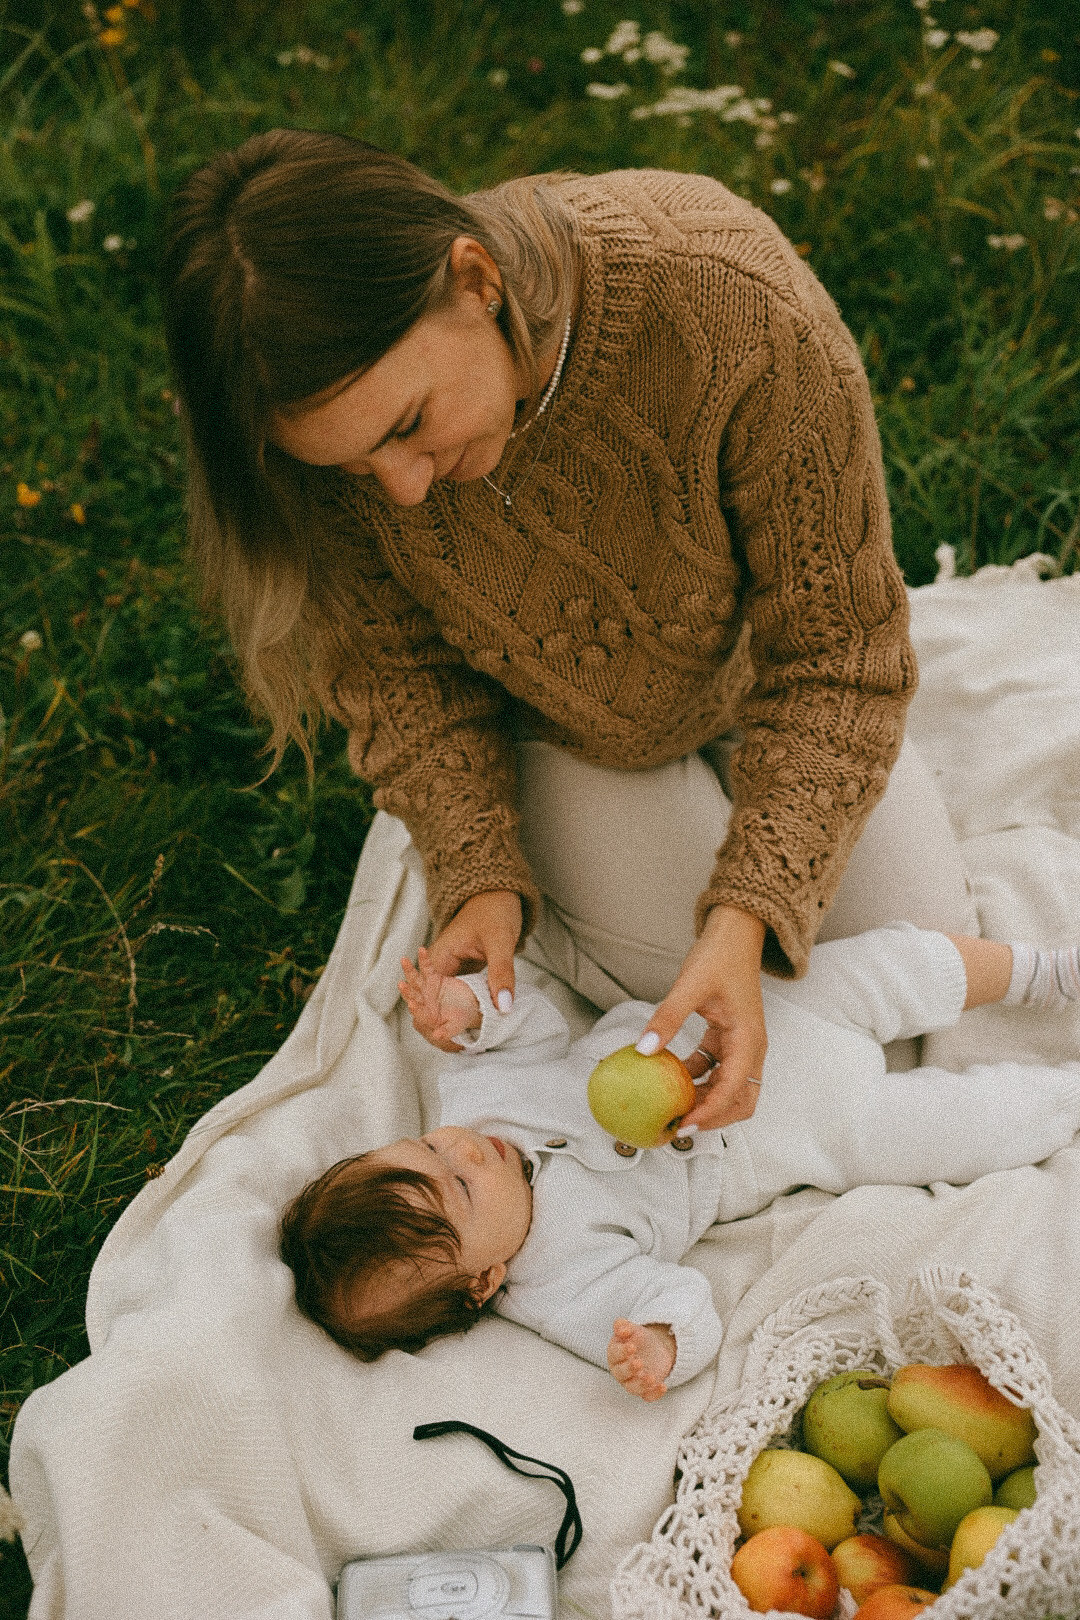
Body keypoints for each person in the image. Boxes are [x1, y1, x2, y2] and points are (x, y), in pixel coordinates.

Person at [161, 131, 978, 1133]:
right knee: (727, 1022)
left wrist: (748, 912)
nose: (404, 491)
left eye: (410, 425)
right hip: (562, 736)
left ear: (475, 280)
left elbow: (838, 657)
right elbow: (405, 681)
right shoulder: (327, 435)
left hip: (761, 679)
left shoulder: (729, 299)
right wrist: (481, 881)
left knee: (925, 985)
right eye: (355, 471)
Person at [279, 932, 1080, 1401]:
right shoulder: (563, 1284)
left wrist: (471, 1014)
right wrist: (661, 1345)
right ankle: (1065, 1096)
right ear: (484, 1280)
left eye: (424, 1147)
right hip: (793, 1133)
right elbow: (680, 1298)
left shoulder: (477, 1100)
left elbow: (533, 1028)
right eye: (457, 1186)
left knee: (890, 964)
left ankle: (1043, 972)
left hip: (736, 1021)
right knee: (955, 1130)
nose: (456, 1148)